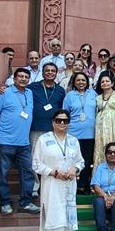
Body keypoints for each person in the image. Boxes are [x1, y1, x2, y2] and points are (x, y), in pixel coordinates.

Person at [32, 109, 84, 231]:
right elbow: (36, 164)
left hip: (69, 186)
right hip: (52, 187)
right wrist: (53, 172)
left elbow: (80, 161)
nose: (62, 123)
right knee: (56, 223)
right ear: (53, 122)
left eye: (65, 121)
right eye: (59, 120)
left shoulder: (73, 140)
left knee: (67, 224)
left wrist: (75, 169)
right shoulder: (44, 139)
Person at [0, 67, 41, 216]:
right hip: (5, 141)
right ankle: (5, 203)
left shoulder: (30, 93)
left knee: (27, 173)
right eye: (20, 76)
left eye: (26, 77)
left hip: (24, 143)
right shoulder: (4, 93)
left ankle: (26, 202)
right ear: (14, 79)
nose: (23, 79)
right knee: (3, 174)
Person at [27, 64, 66, 198]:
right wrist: (4, 89)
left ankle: (51, 184)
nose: (50, 73)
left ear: (56, 73)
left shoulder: (60, 90)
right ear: (42, 73)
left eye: (53, 71)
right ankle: (34, 187)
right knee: (34, 158)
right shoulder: (33, 87)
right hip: (36, 128)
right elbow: (19, 90)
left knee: (52, 158)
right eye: (47, 70)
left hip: (54, 130)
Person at [64, 73, 97, 194]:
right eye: (78, 80)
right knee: (73, 160)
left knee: (87, 161)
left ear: (87, 82)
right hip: (74, 134)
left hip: (90, 134)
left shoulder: (93, 94)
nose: (81, 82)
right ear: (74, 82)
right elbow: (65, 114)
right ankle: (72, 184)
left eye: (83, 80)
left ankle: (83, 185)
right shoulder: (69, 96)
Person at [95, 75, 115, 165]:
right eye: (102, 82)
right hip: (100, 126)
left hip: (114, 125)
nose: (105, 83)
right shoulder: (97, 98)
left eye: (107, 81)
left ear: (112, 83)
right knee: (101, 146)